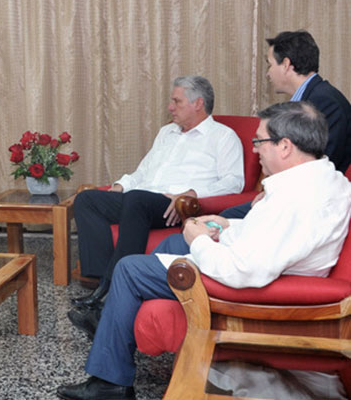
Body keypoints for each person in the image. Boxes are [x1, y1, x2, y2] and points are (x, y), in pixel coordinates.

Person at [57, 101, 351, 400]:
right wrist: (225, 226)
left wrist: (199, 240)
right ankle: (117, 326)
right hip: (260, 264)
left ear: (285, 146)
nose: (254, 150)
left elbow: (245, 270)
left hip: (255, 288)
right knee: (173, 242)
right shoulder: (323, 177)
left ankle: (110, 383)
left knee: (130, 269)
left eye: (259, 141)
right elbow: (271, 238)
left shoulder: (297, 199)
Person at [68, 76, 244, 336]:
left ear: (198, 103)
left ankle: (106, 298)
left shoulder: (223, 137)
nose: (170, 107)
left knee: (137, 199)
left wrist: (191, 194)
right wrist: (118, 187)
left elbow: (234, 183)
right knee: (87, 199)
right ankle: (99, 285)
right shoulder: (167, 132)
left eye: (176, 101)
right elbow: (143, 173)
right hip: (139, 200)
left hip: (178, 207)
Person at [222, 30, 351, 219]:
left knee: (227, 219)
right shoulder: (309, 98)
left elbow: (319, 166)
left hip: (307, 205)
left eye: (270, 65)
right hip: (291, 196)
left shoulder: (324, 103)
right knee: (226, 217)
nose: (267, 74)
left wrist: (273, 193)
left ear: (286, 64)